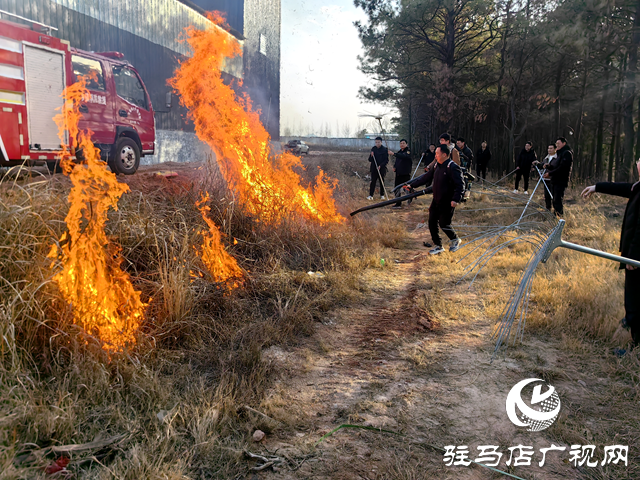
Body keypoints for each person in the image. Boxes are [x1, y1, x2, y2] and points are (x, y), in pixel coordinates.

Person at [581, 158, 640, 355]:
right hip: (634, 257)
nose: (637, 162)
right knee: (632, 300)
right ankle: (633, 331)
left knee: (634, 300)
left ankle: (635, 348)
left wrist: (633, 257)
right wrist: (596, 187)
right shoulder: (638, 187)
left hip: (636, 259)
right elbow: (621, 188)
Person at [403, 145, 464, 255]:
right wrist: (412, 185)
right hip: (436, 199)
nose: (435, 155)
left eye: (437, 153)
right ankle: (438, 245)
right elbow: (426, 177)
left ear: (444, 154)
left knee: (444, 223)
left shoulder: (452, 167)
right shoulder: (437, 166)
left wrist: (456, 199)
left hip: (447, 201)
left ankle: (455, 239)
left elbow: (460, 185)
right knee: (432, 222)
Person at [544, 137, 573, 216]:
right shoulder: (559, 154)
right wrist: (549, 166)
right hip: (555, 180)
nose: (557, 145)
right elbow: (556, 166)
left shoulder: (567, 153)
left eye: (558, 144)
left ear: (564, 143)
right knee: (554, 200)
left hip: (561, 180)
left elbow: (562, 168)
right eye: (556, 144)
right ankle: (555, 215)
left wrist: (550, 174)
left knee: (557, 200)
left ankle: (559, 217)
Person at [390, 139, 412, 209]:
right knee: (397, 188)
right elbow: (397, 161)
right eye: (401, 143)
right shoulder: (399, 152)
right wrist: (395, 167)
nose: (402, 144)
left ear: (406, 144)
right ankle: (398, 203)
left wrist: (393, 154)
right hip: (398, 173)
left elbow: (403, 156)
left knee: (407, 188)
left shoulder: (408, 151)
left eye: (403, 143)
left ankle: (410, 199)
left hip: (405, 173)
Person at [538, 143, 558, 212]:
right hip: (546, 179)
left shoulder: (557, 158)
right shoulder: (546, 158)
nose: (549, 150)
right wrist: (538, 164)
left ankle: (556, 210)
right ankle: (548, 209)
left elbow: (556, 167)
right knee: (547, 195)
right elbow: (542, 165)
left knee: (554, 195)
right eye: (548, 148)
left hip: (554, 179)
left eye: (551, 148)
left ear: (555, 149)